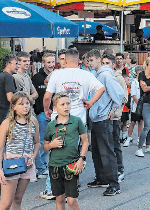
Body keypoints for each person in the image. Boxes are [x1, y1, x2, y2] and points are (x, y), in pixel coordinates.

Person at [41, 49, 105, 199]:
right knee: (74, 152)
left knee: (56, 152)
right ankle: (71, 182)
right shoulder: (86, 74)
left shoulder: (57, 74)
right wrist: (90, 102)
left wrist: (47, 109)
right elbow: (101, 88)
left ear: (65, 60)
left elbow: (47, 96)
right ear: (78, 61)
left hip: (59, 119)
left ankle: (52, 188)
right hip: (78, 119)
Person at [86, 50, 125, 196]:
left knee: (106, 152)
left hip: (103, 118)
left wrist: (114, 110)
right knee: (96, 151)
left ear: (98, 59)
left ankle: (114, 184)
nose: (89, 63)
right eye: (88, 61)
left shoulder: (105, 74)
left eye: (91, 60)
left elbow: (119, 94)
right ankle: (101, 178)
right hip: (97, 117)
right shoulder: (98, 74)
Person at [0, 92, 40, 210]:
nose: (25, 106)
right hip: (11, 162)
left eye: (27, 103)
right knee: (6, 202)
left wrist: (33, 157)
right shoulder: (7, 123)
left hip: (27, 163)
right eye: (21, 104)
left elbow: (37, 143)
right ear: (13, 106)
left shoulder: (33, 121)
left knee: (18, 199)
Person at [44, 92, 88, 210]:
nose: (66, 107)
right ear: (55, 108)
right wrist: (52, 145)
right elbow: (45, 146)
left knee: (72, 200)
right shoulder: (51, 125)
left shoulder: (77, 121)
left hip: (72, 164)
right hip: (55, 165)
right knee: (59, 199)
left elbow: (85, 142)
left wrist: (81, 159)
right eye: (62, 104)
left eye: (68, 103)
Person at [0, 54, 18, 193]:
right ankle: (5, 181)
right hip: (7, 117)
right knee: (8, 150)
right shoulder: (8, 77)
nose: (17, 66)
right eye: (15, 63)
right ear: (8, 63)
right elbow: (10, 98)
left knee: (0, 149)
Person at [101, 54, 128, 183]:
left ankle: (119, 169)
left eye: (108, 63)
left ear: (113, 64)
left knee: (115, 144)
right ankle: (107, 172)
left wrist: (113, 109)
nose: (105, 65)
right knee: (107, 145)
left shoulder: (118, 78)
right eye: (103, 63)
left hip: (115, 117)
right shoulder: (101, 76)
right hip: (103, 117)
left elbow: (124, 97)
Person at [31, 52, 55, 180]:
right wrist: (39, 111)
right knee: (41, 141)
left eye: (52, 62)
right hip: (41, 114)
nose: (51, 65)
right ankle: (40, 168)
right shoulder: (37, 78)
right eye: (48, 62)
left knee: (50, 142)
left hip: (54, 114)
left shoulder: (57, 75)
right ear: (43, 63)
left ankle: (43, 165)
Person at [123, 65, 144, 147]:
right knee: (132, 122)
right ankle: (128, 138)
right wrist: (139, 105)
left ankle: (139, 138)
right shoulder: (134, 83)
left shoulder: (143, 82)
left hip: (141, 105)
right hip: (135, 106)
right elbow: (133, 95)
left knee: (141, 122)